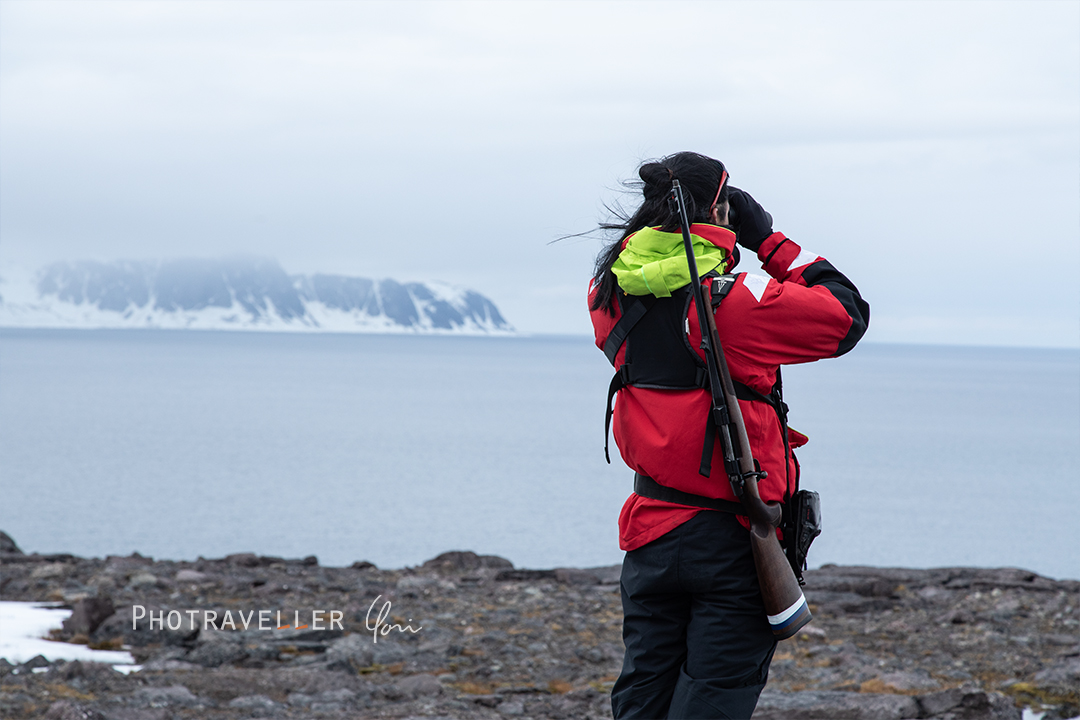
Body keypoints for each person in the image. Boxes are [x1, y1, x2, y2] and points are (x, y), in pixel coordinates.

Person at [588, 151, 869, 719]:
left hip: (649, 532)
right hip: (732, 539)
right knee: (714, 699)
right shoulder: (730, 304)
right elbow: (847, 314)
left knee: (643, 694)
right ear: (719, 208)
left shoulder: (607, 297)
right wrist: (770, 240)